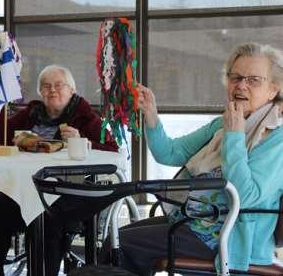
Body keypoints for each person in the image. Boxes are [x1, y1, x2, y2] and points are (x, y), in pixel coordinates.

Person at [98, 43, 283, 275]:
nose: (241, 85)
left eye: (253, 80)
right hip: (196, 220)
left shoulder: (277, 136)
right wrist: (152, 114)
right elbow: (170, 153)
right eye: (235, 77)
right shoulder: (222, 125)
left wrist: (235, 136)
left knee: (121, 245)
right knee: (115, 238)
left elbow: (246, 198)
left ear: (273, 90)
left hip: (230, 239)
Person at [0, 64, 119, 276]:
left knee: (47, 219)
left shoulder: (84, 115)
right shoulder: (32, 112)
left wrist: (83, 141)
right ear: (40, 92)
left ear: (71, 89)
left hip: (66, 192)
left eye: (59, 85)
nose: (52, 90)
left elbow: (112, 149)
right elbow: (2, 137)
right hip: (26, 187)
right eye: (46, 86)